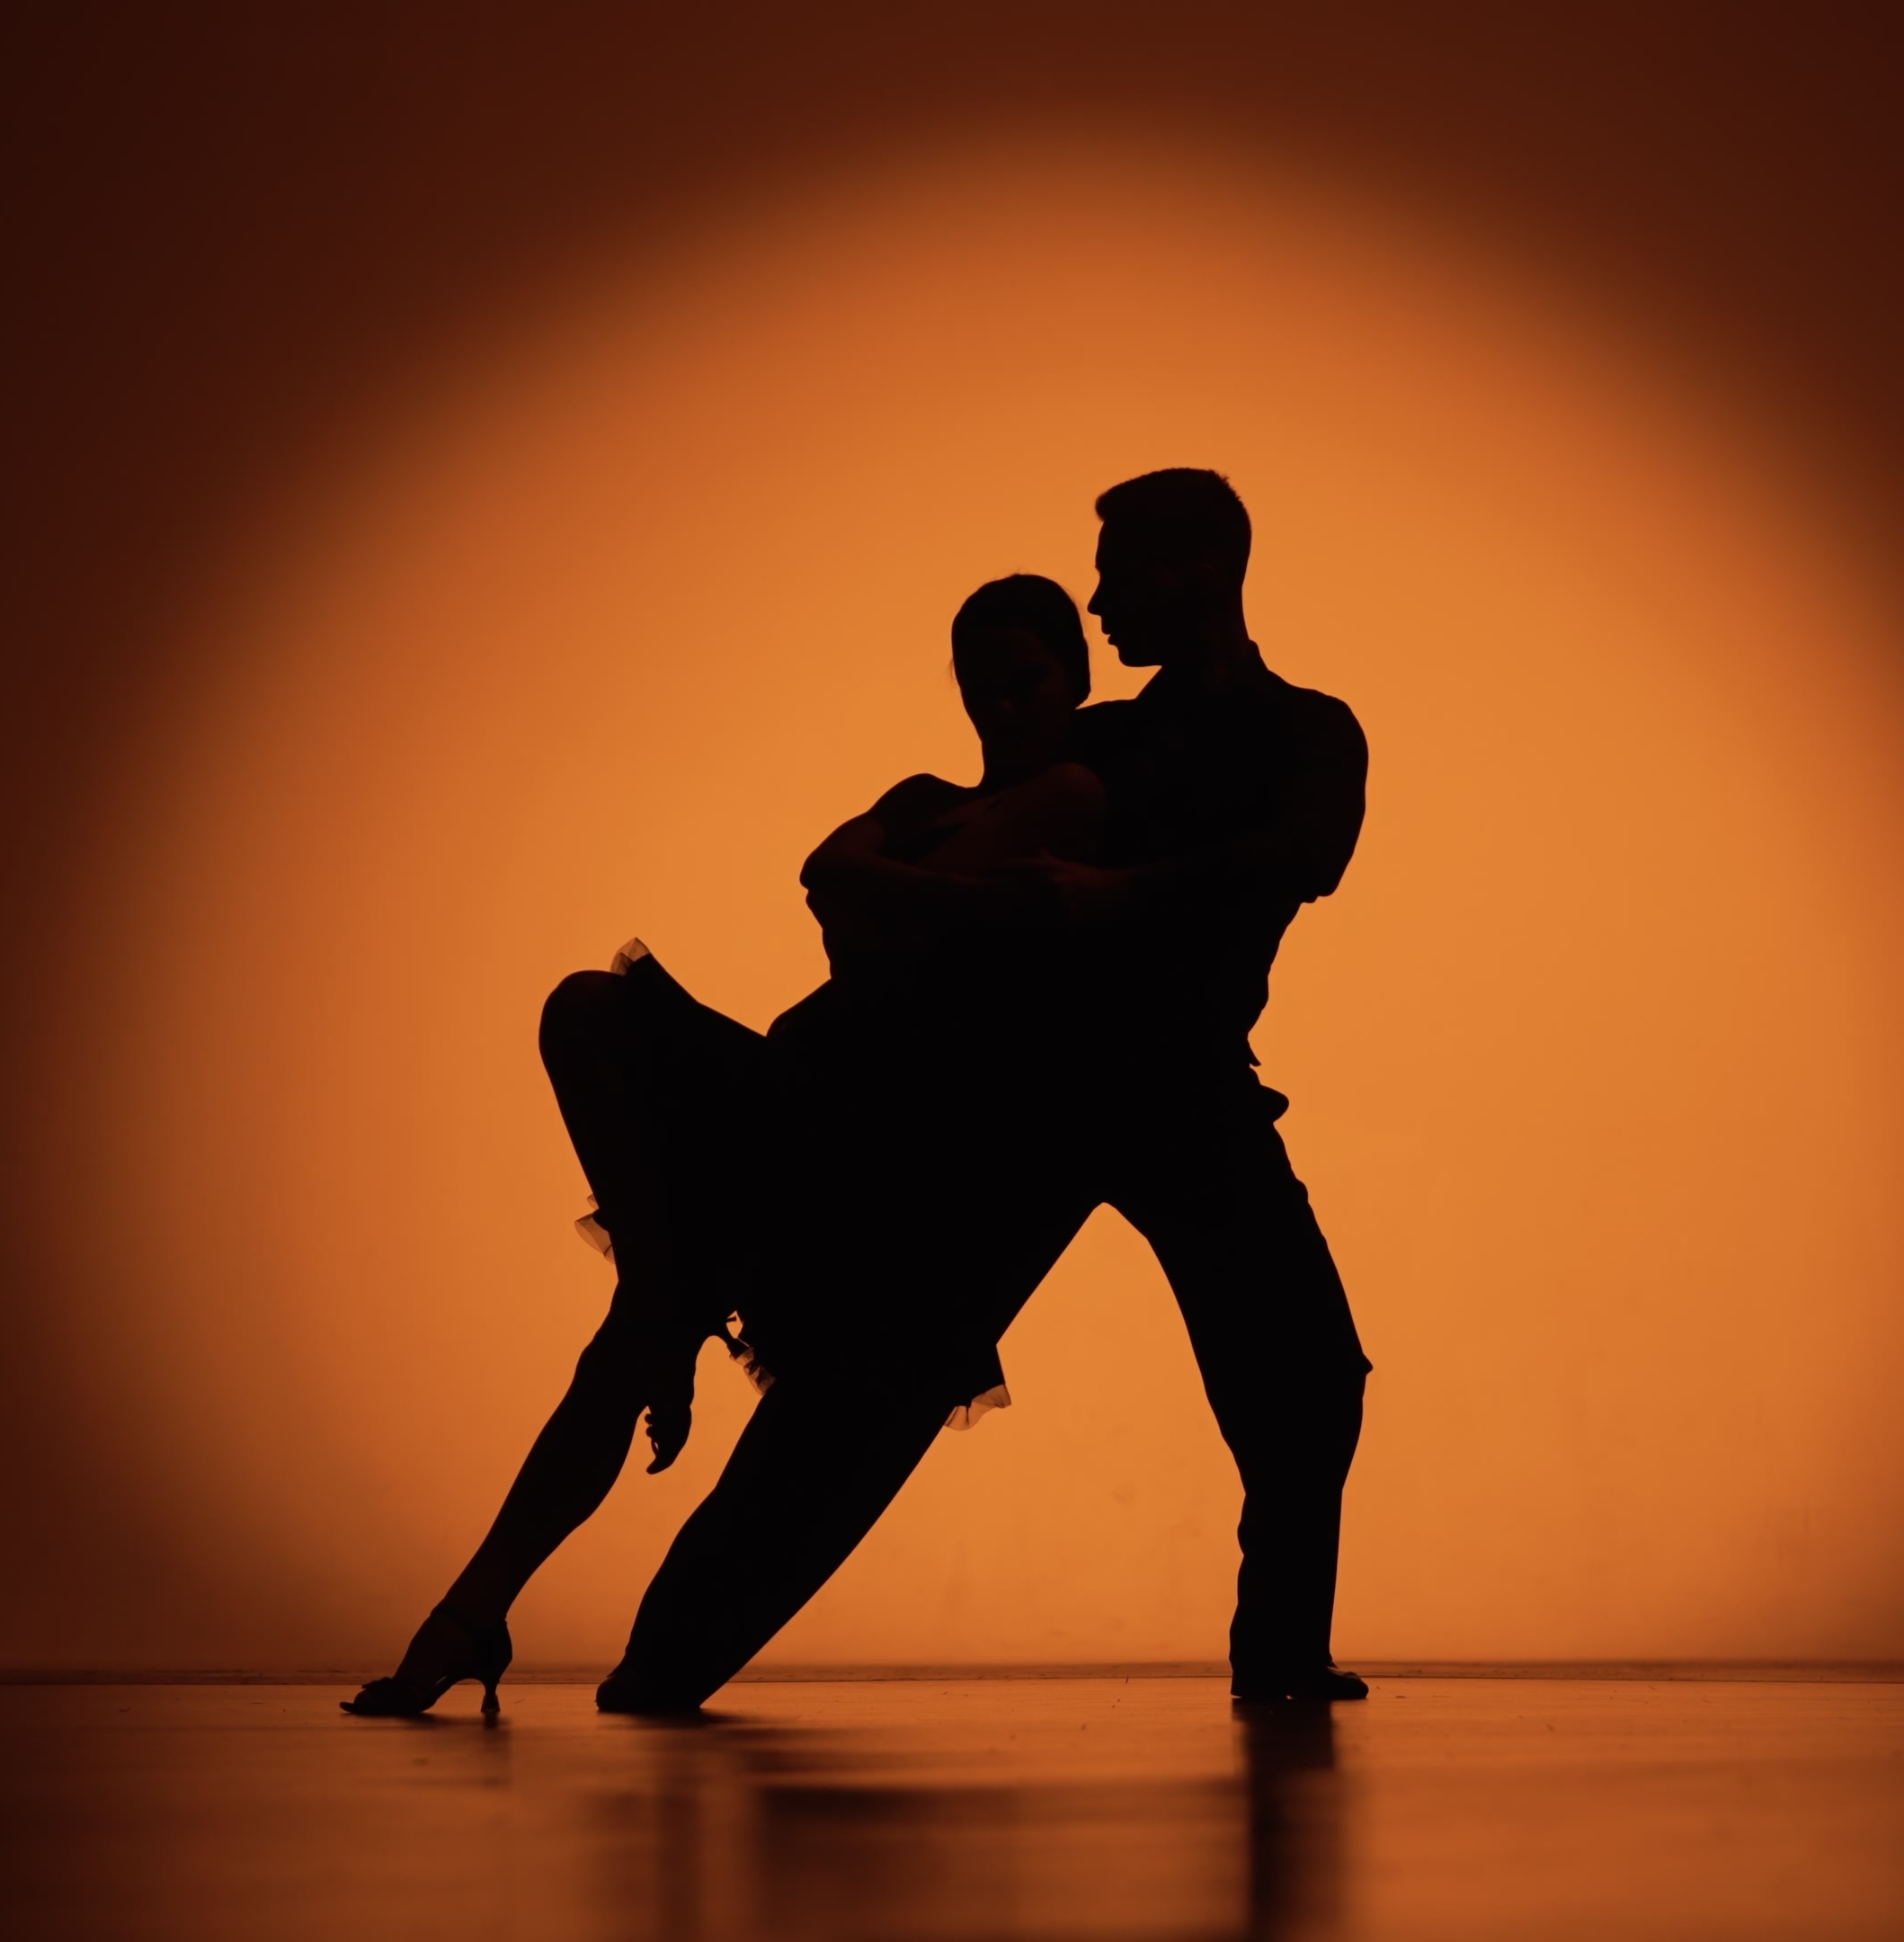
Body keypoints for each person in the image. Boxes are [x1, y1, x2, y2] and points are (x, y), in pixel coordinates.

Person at [597, 468, 1375, 1711]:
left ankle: (1279, 1656)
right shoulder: (1101, 738)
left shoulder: (1306, 732)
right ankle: (668, 1657)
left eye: (1120, 571)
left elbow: (1304, 857)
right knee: (880, 1375)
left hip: (1181, 1090)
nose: (1104, 598)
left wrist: (1121, 894)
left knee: (1306, 1374)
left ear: (1194, 574)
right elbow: (924, 833)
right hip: (1040, 1090)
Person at [340, 574, 1105, 1717]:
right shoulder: (926, 792)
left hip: (881, 1165)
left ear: (1074, 675)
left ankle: (473, 1610)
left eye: (1023, 682)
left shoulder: (1082, 796)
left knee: (643, 1349)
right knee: (591, 1019)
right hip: (797, 1094)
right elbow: (826, 871)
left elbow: (869, 885)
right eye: (978, 686)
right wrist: (919, 895)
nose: (998, 708)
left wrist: (893, 895)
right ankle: (475, 1604)